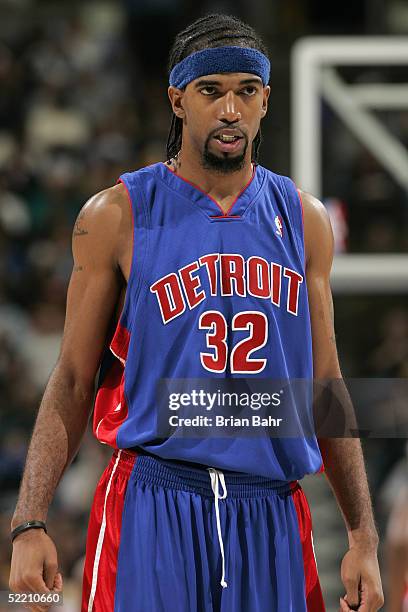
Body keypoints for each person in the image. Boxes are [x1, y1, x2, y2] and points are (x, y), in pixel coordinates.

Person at [9, 13, 384, 612]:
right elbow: (75, 379)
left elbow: (325, 386)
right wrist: (29, 521)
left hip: (272, 507)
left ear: (266, 101)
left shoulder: (304, 221)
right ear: (178, 101)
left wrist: (363, 535)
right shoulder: (116, 215)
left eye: (246, 91)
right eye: (211, 91)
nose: (230, 110)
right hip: (153, 499)